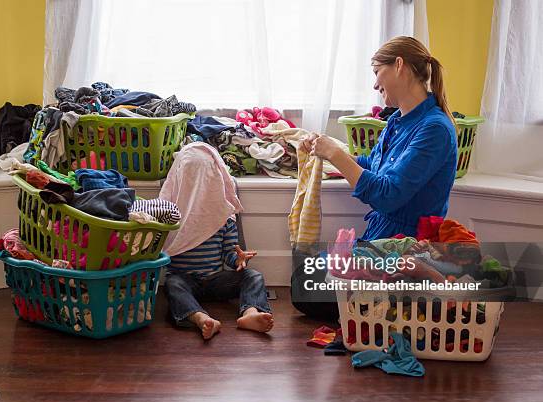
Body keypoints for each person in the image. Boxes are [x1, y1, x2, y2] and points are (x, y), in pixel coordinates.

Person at [301, 36, 457, 240]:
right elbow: (374, 165)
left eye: (377, 72)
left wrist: (335, 153)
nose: (375, 85)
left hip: (407, 246)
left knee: (309, 270)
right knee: (309, 269)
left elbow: (387, 195)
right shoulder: (396, 120)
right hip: (383, 237)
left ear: (399, 65)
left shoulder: (435, 129)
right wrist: (325, 148)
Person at [160, 142, 274, 340]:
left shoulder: (222, 216)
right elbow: (161, 250)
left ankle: (250, 313)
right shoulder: (171, 214)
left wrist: (238, 260)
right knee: (173, 285)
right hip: (185, 280)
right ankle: (200, 318)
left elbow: (229, 253)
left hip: (215, 280)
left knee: (253, 276)